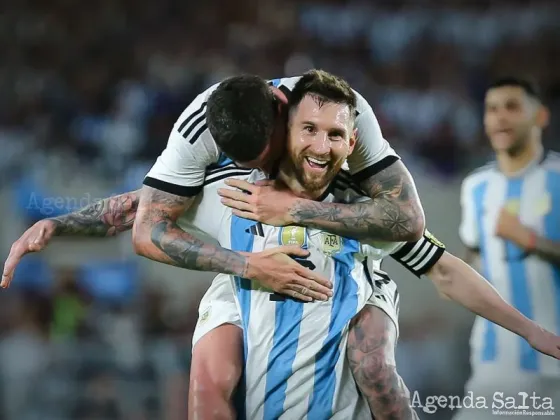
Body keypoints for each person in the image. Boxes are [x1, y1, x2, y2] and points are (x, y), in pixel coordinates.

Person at [4, 73, 560, 419]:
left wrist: (530, 329)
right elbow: (143, 212)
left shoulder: (355, 207)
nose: (314, 150)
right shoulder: (226, 183)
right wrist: (64, 223)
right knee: (206, 377)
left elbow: (435, 260)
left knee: (373, 366)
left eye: (330, 138)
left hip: (333, 316)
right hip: (242, 282)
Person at [456, 77, 560, 419]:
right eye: (492, 109)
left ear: (540, 116)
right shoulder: (476, 187)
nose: (500, 117)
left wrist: (529, 240)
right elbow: (476, 259)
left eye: (512, 107)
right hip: (493, 366)